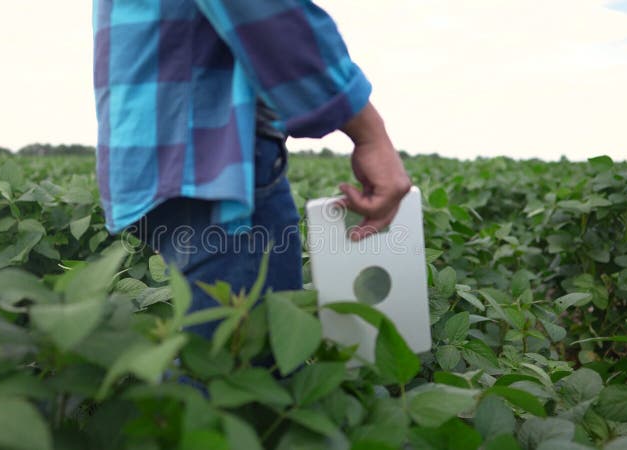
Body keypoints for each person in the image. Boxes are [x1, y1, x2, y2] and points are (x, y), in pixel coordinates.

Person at [92, 0, 411, 338]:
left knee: (209, 356)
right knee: (237, 370)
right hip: (216, 158)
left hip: (162, 148)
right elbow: (264, 10)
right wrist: (368, 131)